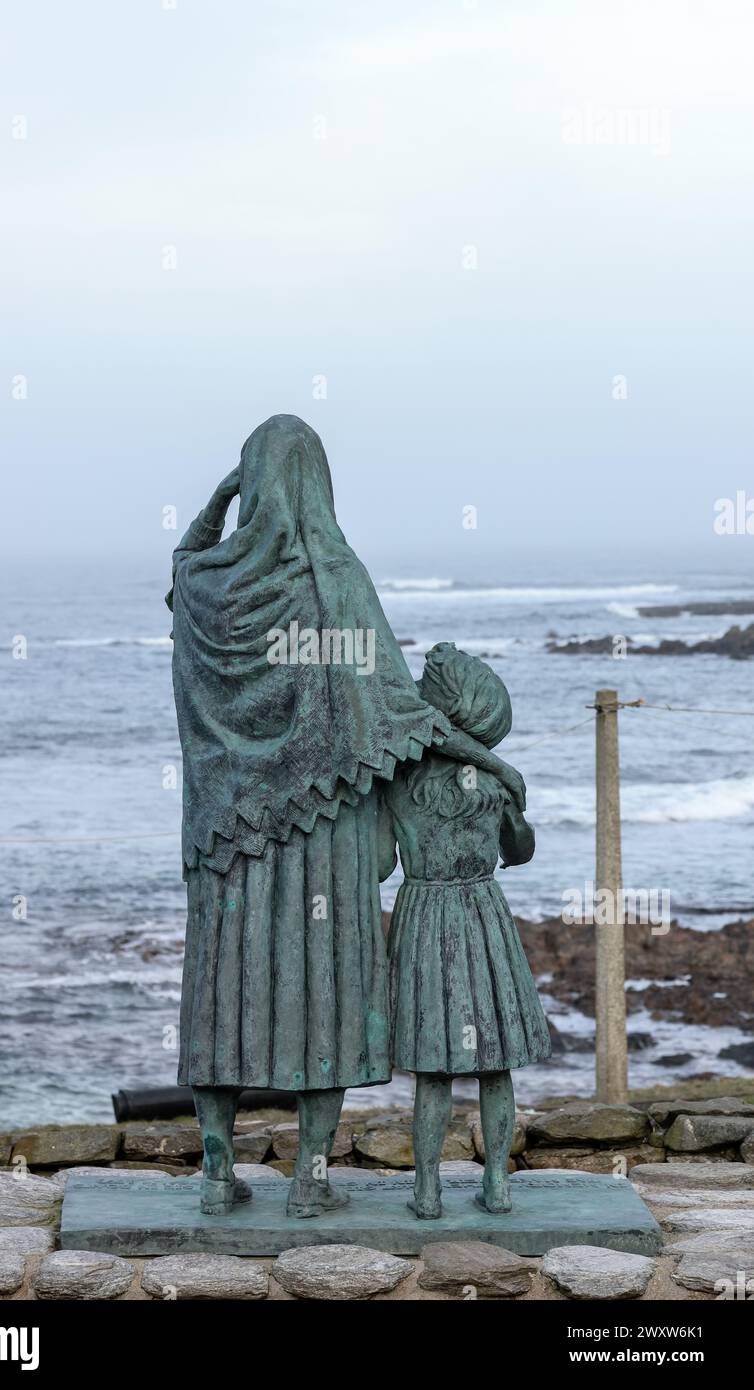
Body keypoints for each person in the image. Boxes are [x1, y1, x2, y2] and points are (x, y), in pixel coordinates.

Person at [167, 416, 527, 1218]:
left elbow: (183, 561)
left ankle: (217, 1177)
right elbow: (398, 709)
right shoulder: (335, 576)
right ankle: (310, 1180)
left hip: (228, 838)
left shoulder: (208, 589)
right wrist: (490, 759)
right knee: (323, 1003)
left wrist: (224, 497)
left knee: (223, 1002)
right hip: (324, 836)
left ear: (253, 483)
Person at [378, 642, 552, 1217]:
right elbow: (520, 851)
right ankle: (497, 1182)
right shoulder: (495, 783)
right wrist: (515, 809)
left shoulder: (398, 777)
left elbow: (380, 863)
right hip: (482, 915)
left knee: (433, 1066)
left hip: (424, 916)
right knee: (493, 1061)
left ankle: (426, 1191)